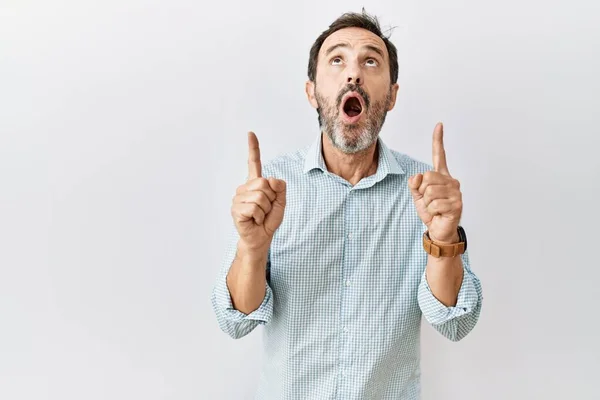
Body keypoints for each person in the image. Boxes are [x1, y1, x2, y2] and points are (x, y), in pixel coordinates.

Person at [210, 10, 483, 400]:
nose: (353, 73)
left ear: (391, 95)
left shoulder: (428, 192)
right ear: (311, 92)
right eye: (337, 59)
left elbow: (456, 322)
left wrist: (443, 241)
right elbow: (234, 320)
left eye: (370, 60)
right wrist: (252, 249)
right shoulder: (270, 189)